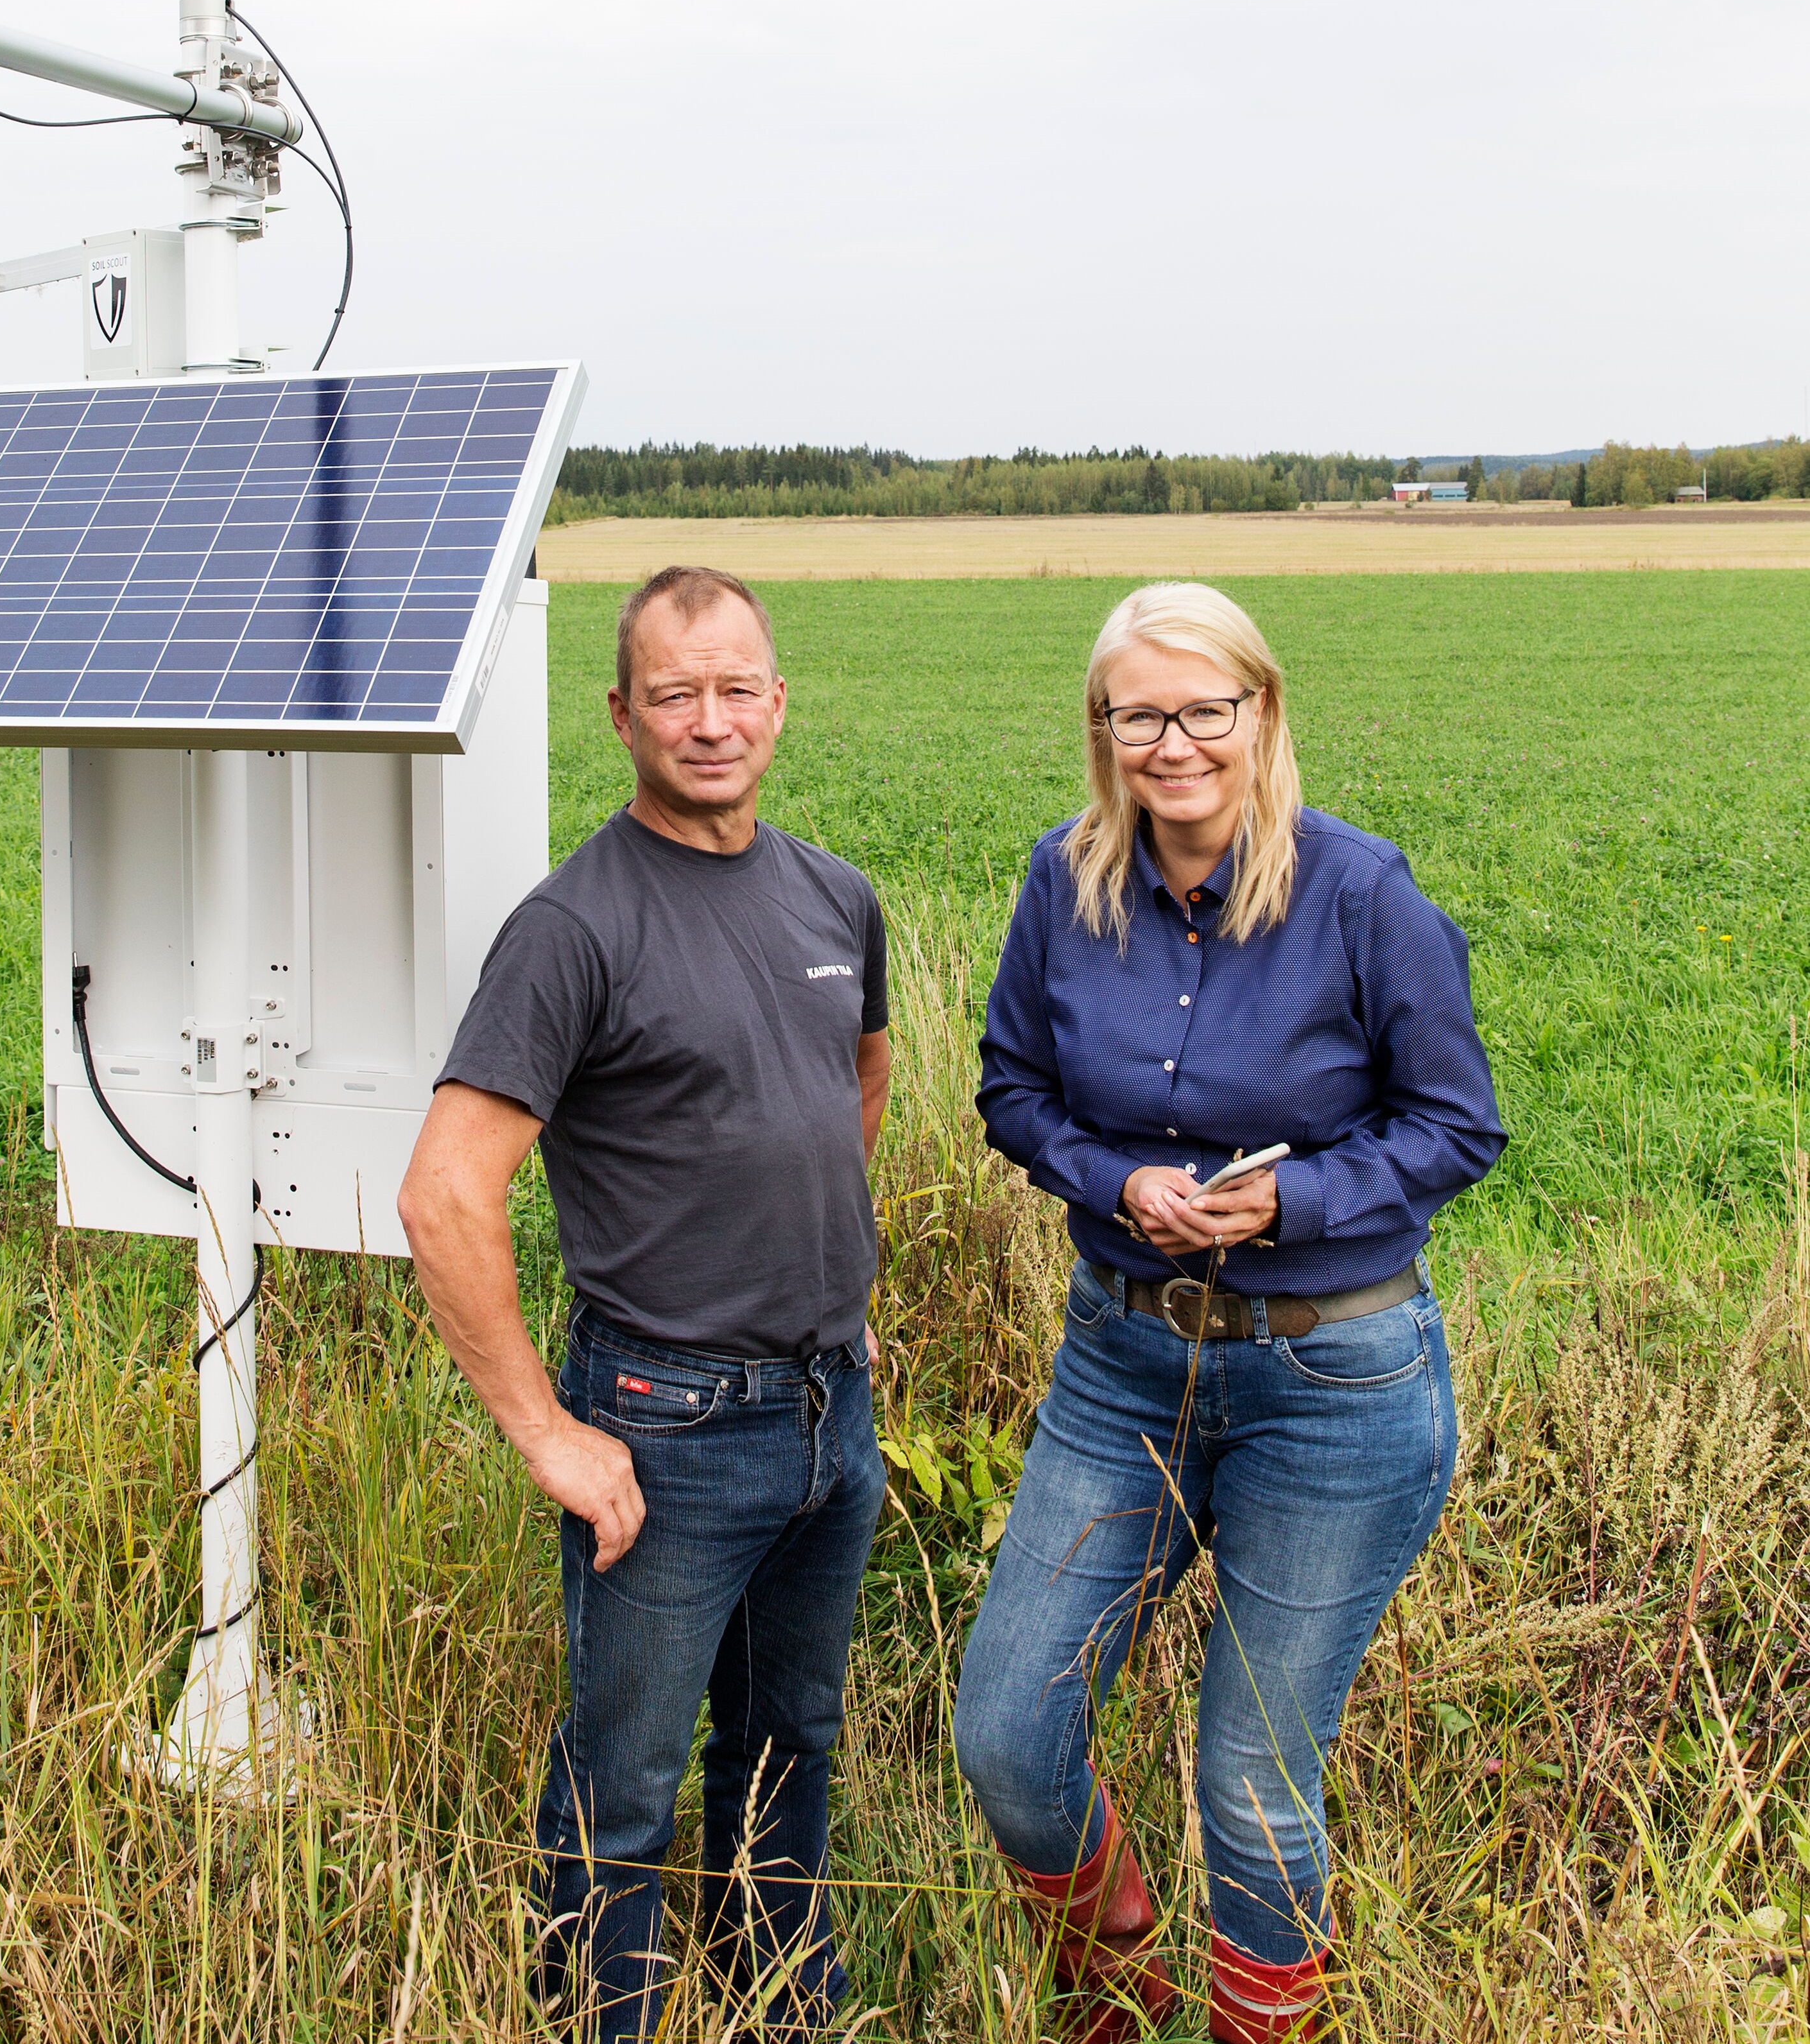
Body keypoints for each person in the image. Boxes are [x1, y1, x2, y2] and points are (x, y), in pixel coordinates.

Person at [951, 583, 1504, 2044]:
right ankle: (1115, 1992)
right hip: (1120, 1361)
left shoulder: (1358, 892)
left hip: (1333, 1381)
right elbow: (1010, 1091)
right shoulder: (1060, 880)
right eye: (1141, 713)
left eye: (1206, 709)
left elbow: (1457, 1126)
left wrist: (1289, 1204)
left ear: (1261, 715)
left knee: (1249, 1778)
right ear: (1103, 730)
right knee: (1007, 1728)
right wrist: (1113, 1176)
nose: (1174, 741)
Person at [398, 565, 891, 2043]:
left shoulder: (831, 893)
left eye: (735, 686)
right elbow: (444, 1192)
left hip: (825, 1408)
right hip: (662, 1423)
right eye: (673, 693)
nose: (709, 719)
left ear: (778, 701)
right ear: (621, 715)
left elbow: (850, 1079)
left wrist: (827, 1272)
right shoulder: (574, 926)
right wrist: (545, 1432)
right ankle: (589, 2019)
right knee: (625, 1783)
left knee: (790, 1743)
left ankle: (772, 2001)